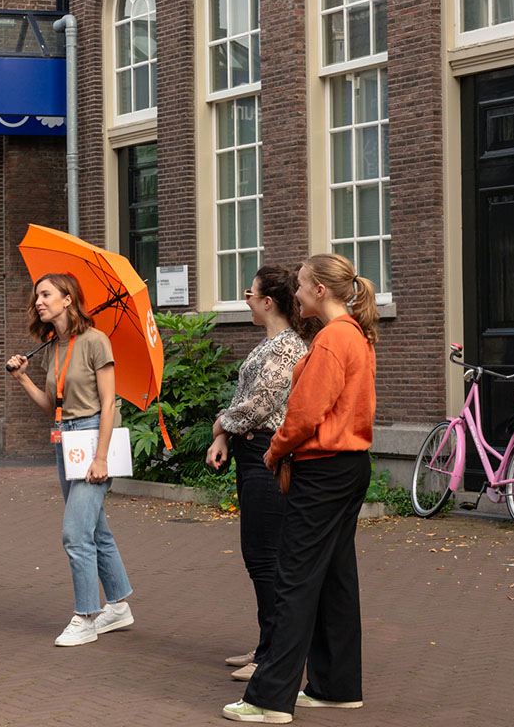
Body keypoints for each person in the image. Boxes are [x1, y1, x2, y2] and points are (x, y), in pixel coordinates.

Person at [223, 254, 378, 724]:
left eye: (303, 284)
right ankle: (335, 686)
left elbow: (305, 412)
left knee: (294, 578)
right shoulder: (355, 335)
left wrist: (274, 452)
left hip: (322, 469)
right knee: (335, 578)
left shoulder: (332, 339)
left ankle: (268, 698)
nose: (297, 291)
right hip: (350, 466)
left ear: (320, 292)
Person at [7, 272, 134, 647]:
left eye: (46, 294)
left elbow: (109, 403)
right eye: (37, 297)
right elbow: (52, 405)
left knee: (75, 534)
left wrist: (100, 458)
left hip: (94, 435)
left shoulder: (96, 341)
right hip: (65, 438)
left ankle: (86, 616)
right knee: (95, 529)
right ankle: (119, 606)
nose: (39, 302)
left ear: (67, 299)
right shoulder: (52, 348)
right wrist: (24, 379)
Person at [205, 266, 312, 683]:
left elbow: (258, 406)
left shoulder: (287, 348)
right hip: (250, 450)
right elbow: (242, 399)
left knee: (266, 558)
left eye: (249, 293)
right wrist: (225, 439)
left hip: (269, 456)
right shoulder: (267, 344)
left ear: (268, 302)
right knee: (259, 556)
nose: (245, 298)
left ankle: (273, 653)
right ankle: (268, 641)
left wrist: (218, 427)